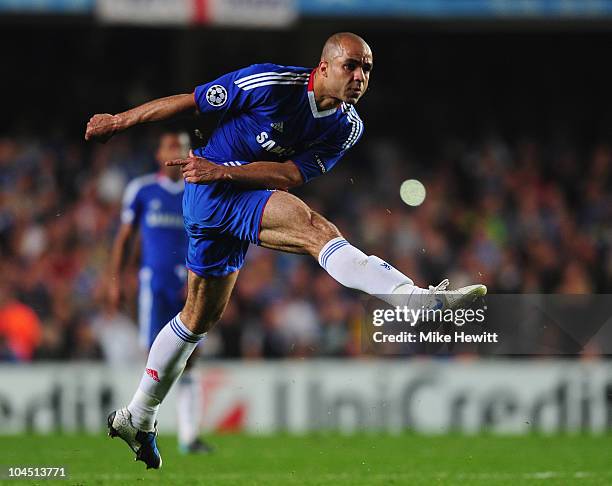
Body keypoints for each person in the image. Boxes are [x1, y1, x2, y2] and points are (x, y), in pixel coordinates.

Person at [86, 32, 486, 469]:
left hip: (234, 188)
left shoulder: (347, 127)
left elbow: (292, 174)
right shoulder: (271, 83)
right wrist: (119, 122)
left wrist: (227, 173)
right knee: (316, 230)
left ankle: (137, 416)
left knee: (197, 317)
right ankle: (416, 300)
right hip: (208, 191)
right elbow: (193, 101)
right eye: (351, 65)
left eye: (367, 69)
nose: (359, 76)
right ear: (325, 66)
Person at [107, 131, 212, 455]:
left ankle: (189, 436)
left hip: (190, 284)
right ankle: (145, 424)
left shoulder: (198, 189)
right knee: (155, 356)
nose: (176, 152)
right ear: (158, 154)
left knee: (191, 358)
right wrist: (114, 280)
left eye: (182, 147)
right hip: (154, 285)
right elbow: (124, 238)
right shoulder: (142, 190)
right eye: (170, 146)